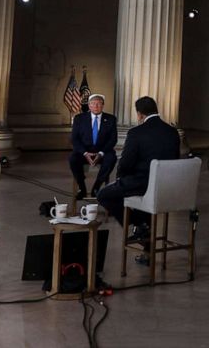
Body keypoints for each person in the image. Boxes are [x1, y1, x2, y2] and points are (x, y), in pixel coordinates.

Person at [96, 96, 179, 263]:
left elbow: (126, 163)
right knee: (143, 207)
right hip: (167, 186)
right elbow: (175, 159)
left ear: (140, 114)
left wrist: (120, 178)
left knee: (104, 195)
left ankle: (138, 225)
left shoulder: (136, 133)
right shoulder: (172, 132)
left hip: (142, 184)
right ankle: (146, 245)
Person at [69, 93, 117, 199]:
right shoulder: (79, 118)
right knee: (73, 158)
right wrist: (85, 153)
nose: (95, 106)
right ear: (89, 106)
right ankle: (82, 188)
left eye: (98, 104)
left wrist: (100, 153)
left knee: (112, 158)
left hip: (102, 152)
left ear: (103, 105)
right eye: (93, 104)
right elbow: (74, 139)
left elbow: (113, 140)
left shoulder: (111, 119)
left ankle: (96, 187)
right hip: (84, 152)